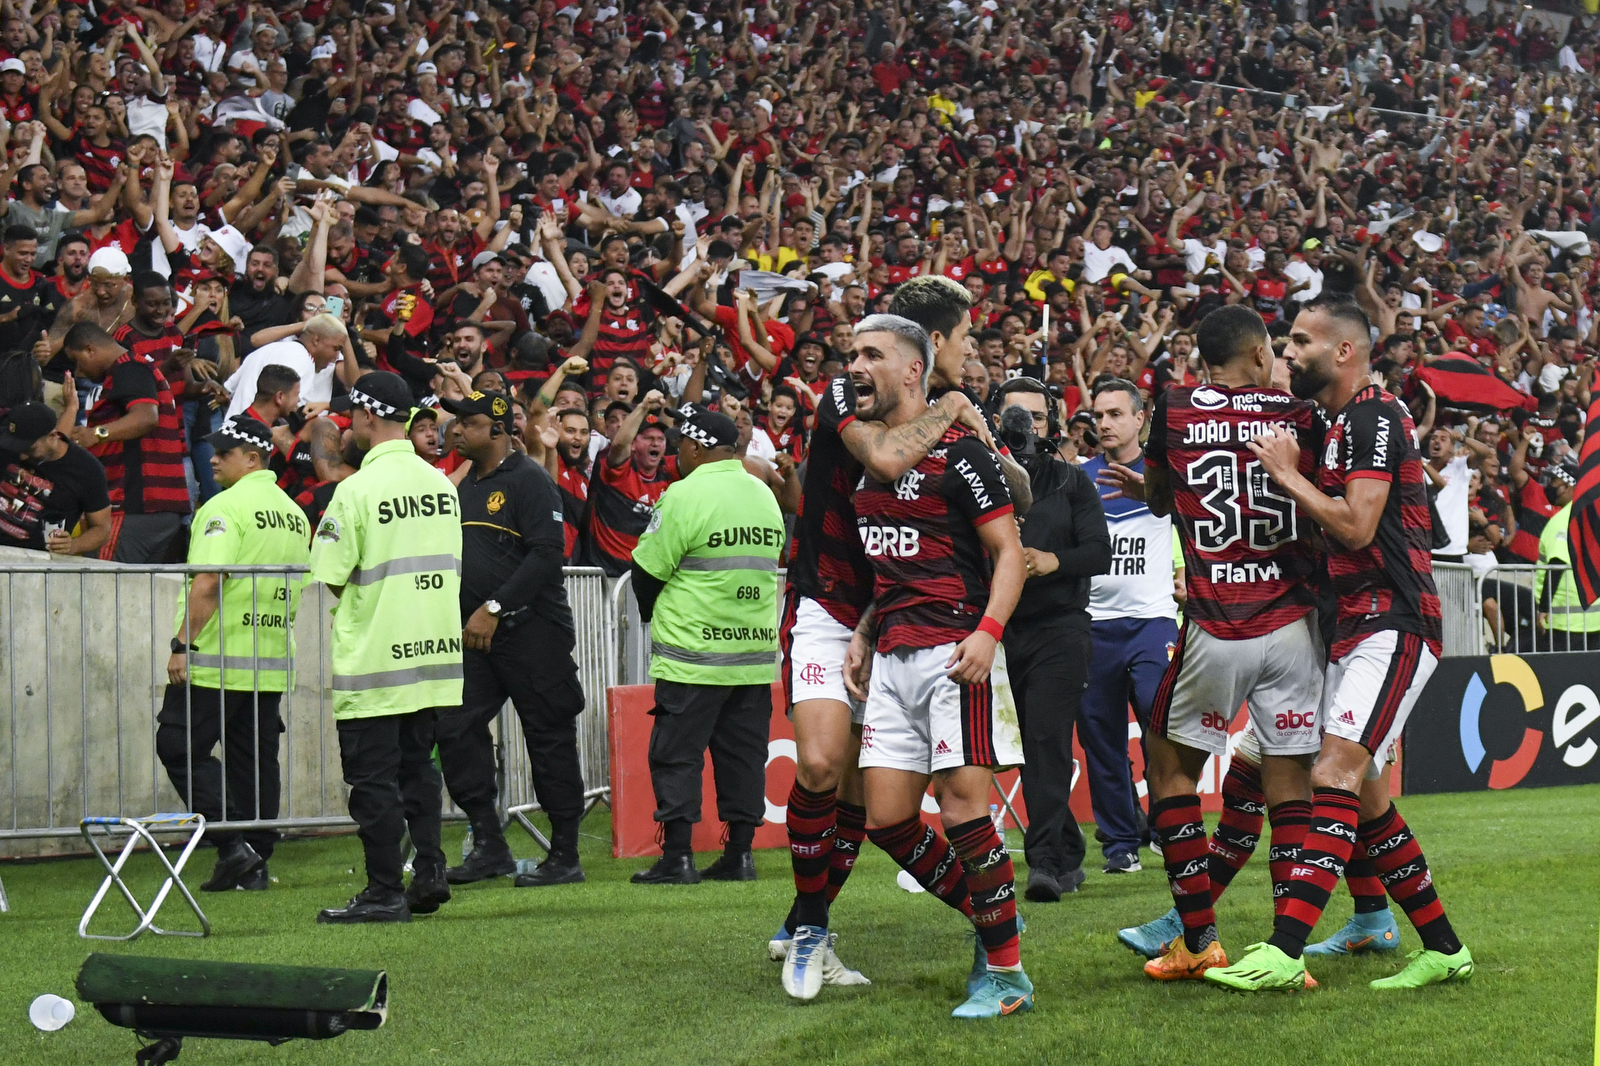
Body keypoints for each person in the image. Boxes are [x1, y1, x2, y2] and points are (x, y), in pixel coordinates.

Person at [1208, 292, 1472, 991]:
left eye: (1301, 341)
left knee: (1333, 774)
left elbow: (1356, 526)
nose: (1289, 352)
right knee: (1369, 801)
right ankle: (1445, 949)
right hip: (1353, 628)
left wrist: (1286, 473)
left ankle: (1284, 950)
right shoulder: (1339, 422)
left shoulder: (1373, 415)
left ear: (1344, 350)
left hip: (1395, 622)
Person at [1098, 305, 1325, 983]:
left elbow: (1160, 499)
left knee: (1171, 769)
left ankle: (1198, 941)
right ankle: (1286, 952)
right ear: (1259, 355)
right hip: (1294, 623)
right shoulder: (1301, 414)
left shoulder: (1174, 407)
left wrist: (1160, 488)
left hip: (1218, 620)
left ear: (1205, 359)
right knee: (1290, 783)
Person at [840, 315, 1032, 1019]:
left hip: (956, 649)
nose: (854, 365)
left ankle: (1007, 977)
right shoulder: (869, 454)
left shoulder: (963, 454)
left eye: (871, 354)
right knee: (888, 820)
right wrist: (865, 630)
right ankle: (996, 917)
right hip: (892, 653)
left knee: (961, 811)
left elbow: (1008, 553)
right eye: (851, 354)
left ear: (913, 370)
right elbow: (893, 559)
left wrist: (988, 632)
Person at [308, 371, 463, 924]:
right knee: (419, 768)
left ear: (368, 416)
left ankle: (383, 890)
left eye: (352, 416)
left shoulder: (355, 490)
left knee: (373, 779)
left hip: (376, 656)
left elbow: (331, 574)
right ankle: (431, 871)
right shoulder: (441, 486)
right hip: (432, 655)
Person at [433, 389, 589, 890]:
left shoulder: (530, 480)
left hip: (532, 631)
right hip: (478, 636)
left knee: (548, 737)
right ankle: (489, 844)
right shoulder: (465, 484)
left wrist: (494, 608)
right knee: (454, 728)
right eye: (457, 422)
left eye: (469, 423)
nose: (457, 430)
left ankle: (565, 853)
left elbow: (547, 555)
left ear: (499, 430)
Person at [628, 403, 783, 887]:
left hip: (693, 656)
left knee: (677, 754)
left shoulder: (683, 494)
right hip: (752, 658)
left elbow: (647, 570)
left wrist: (653, 614)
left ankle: (678, 857)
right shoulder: (763, 494)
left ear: (696, 447)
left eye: (681, 445)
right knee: (744, 758)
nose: (677, 453)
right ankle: (740, 855)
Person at [156, 417, 310, 892]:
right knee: (254, 765)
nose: (213, 460)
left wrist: (183, 644)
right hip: (268, 661)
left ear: (253, 458)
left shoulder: (225, 507)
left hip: (216, 658)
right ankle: (255, 863)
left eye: (225, 452)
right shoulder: (294, 513)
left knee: (178, 747)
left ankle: (232, 846)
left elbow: (209, 580)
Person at [991, 377, 1110, 903]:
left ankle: (1042, 865)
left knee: (1045, 740)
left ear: (1052, 424)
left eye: (1036, 418)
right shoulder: (979, 474)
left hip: (1059, 628)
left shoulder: (1071, 480)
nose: (1026, 428)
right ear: (995, 422)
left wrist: (1052, 561)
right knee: (1021, 748)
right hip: (997, 630)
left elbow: (1100, 552)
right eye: (1016, 418)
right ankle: (1065, 846)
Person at [1079, 377, 1178, 873]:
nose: (1105, 423)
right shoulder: (1079, 478)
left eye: (1116, 413)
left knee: (1161, 728)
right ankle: (1120, 843)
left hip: (1152, 622)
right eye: (1099, 415)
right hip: (1092, 625)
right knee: (1101, 738)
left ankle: (1167, 827)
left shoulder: (1167, 476)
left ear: (1141, 418)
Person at [61, 320, 190, 562]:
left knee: (100, 579)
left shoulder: (129, 367)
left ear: (90, 349)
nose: (78, 372)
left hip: (135, 504)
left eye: (77, 361)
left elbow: (146, 417)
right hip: (159, 505)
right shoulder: (134, 368)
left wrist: (95, 434)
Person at [582, 390, 678, 576]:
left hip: (643, 574)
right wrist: (643, 406)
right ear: (633, 444)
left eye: (660, 439)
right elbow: (619, 445)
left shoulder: (669, 471)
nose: (655, 443)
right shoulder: (618, 470)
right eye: (648, 438)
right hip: (604, 573)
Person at [0, 400, 112, 554]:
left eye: (29, 449)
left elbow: (102, 529)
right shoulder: (5, 444)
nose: (22, 456)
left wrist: (74, 545)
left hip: (40, 560)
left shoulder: (87, 470)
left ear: (53, 436)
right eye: (15, 446)